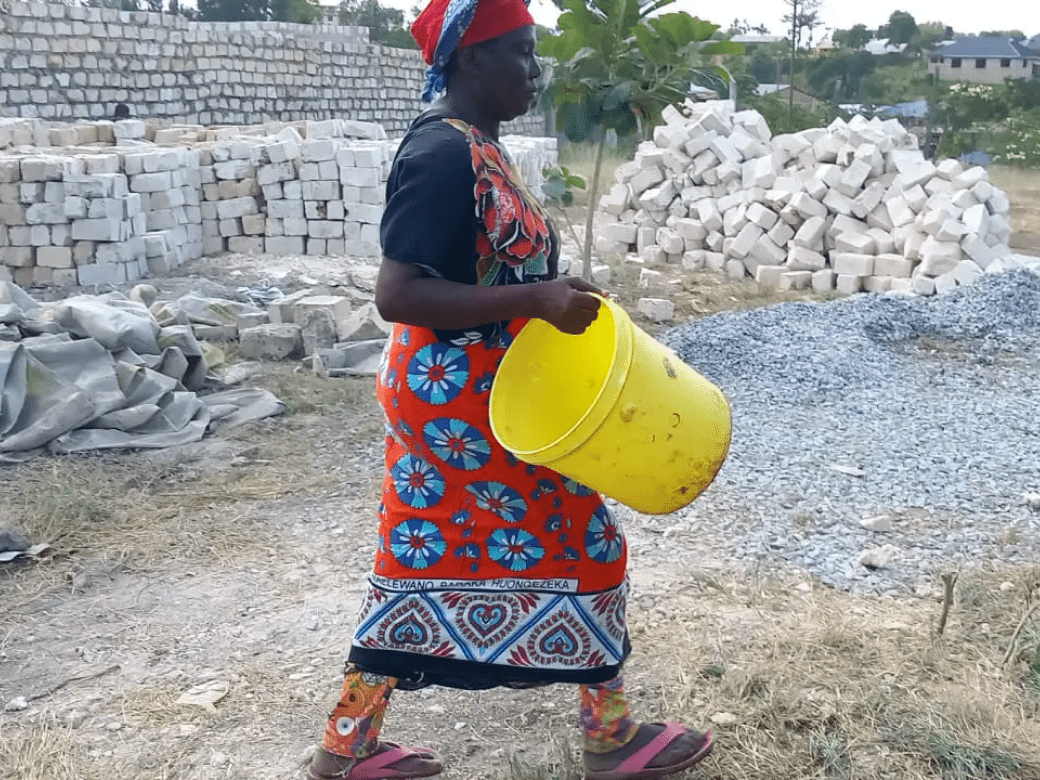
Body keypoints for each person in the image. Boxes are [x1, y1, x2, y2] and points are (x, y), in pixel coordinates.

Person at [303, 0, 714, 778]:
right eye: (521, 53)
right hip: (460, 403)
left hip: (474, 395)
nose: (536, 71)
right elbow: (398, 294)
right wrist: (533, 300)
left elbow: (486, 267)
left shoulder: (478, 145)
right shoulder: (441, 155)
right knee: (589, 545)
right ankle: (611, 738)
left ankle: (348, 746)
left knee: (415, 557)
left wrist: (547, 291)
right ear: (469, 61)